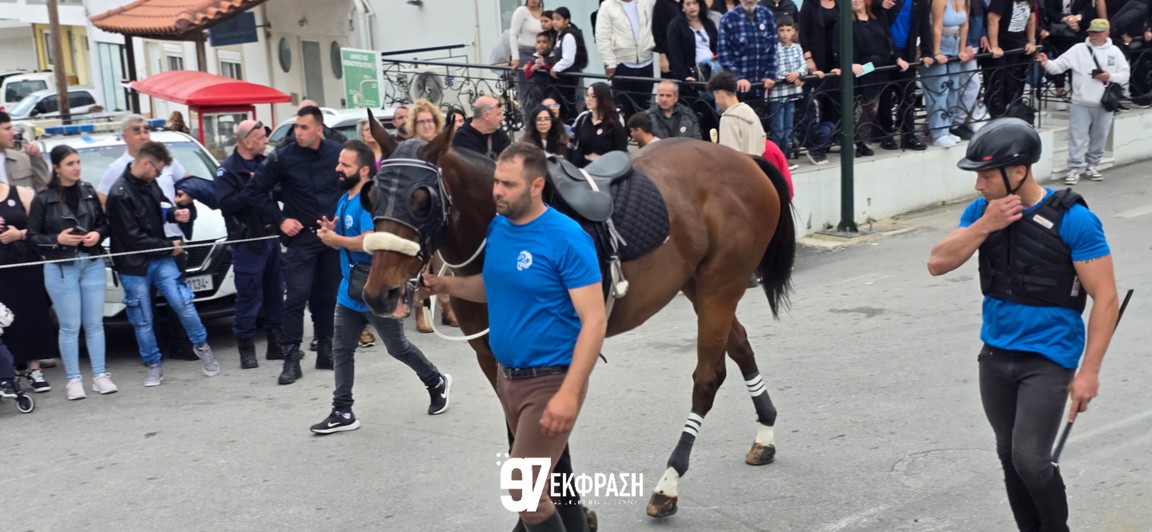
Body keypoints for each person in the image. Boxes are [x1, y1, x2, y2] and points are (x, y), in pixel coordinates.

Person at [928, 117, 1119, 532]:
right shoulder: (980, 212)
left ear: (1018, 171)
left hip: (1048, 359)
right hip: (995, 355)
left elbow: (1105, 298)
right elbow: (936, 263)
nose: (978, 185)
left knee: (1031, 461)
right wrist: (986, 224)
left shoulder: (1074, 219)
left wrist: (1089, 372)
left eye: (985, 175)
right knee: (1008, 455)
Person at [421, 142, 605, 532]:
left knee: (525, 494)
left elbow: (594, 321)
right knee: (546, 484)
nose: (497, 191)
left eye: (508, 184)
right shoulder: (499, 227)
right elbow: (494, 285)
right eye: (496, 182)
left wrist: (570, 393)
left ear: (536, 185)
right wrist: (444, 284)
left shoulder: (567, 238)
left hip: (550, 381)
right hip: (509, 379)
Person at [309, 140, 453, 435]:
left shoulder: (369, 200)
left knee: (398, 348)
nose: (337, 168)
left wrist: (338, 241)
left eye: (344, 165)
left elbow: (372, 241)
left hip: (375, 290)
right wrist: (334, 230)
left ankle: (436, 381)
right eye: (338, 162)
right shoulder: (346, 197)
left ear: (363, 170)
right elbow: (353, 236)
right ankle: (342, 410)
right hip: (350, 291)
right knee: (341, 350)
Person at [105, 141, 219, 386]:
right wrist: (170, 246)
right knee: (143, 318)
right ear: (146, 163)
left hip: (159, 256)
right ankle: (153, 364)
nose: (159, 174)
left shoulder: (149, 183)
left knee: (183, 303)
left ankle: (202, 346)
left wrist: (173, 214)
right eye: (157, 170)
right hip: (133, 264)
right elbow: (132, 237)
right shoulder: (119, 194)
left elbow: (158, 209)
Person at [243, 106, 343, 384]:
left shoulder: (337, 153)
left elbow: (356, 184)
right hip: (301, 239)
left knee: (328, 297)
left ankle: (326, 350)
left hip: (330, 236)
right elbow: (254, 191)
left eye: (304, 128)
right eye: (296, 127)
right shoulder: (283, 157)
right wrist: (280, 220)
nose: (297, 132)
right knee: (296, 297)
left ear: (319, 129)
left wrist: (345, 219)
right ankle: (291, 357)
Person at [95, 115, 196, 361]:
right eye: (136, 130)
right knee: (146, 301)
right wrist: (126, 221)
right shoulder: (118, 168)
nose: (143, 134)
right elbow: (103, 199)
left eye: (146, 130)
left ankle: (181, 344)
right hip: (141, 247)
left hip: (173, 238)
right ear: (125, 136)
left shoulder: (166, 160)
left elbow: (189, 183)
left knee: (178, 296)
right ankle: (155, 349)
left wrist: (184, 200)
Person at [26, 145, 114, 399]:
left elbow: (104, 224)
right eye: (69, 163)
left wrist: (97, 234)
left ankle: (100, 375)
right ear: (56, 167)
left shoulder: (88, 191)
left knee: (95, 323)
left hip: (91, 262)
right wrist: (58, 239)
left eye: (77, 162)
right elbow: (32, 237)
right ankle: (73, 379)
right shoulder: (43, 198)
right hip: (60, 267)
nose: (76, 167)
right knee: (70, 326)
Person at [214, 120, 285, 369]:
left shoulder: (264, 164)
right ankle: (246, 347)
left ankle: (276, 344)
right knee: (249, 297)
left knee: (276, 293)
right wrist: (253, 188)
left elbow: (276, 191)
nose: (266, 141)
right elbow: (225, 204)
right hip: (247, 241)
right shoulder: (228, 170)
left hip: (271, 238)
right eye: (262, 137)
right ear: (246, 140)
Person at [1038, 19, 1130, 185]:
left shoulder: (1115, 52)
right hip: (1081, 101)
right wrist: (1046, 63)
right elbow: (1058, 66)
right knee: (1077, 136)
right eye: (1091, 32)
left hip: (1104, 103)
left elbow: (1125, 75)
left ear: (1107, 33)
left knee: (1100, 136)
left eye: (1097, 32)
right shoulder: (1078, 49)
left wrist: (1109, 76)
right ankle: (1074, 167)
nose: (1093, 35)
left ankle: (1092, 165)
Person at [0, 162, 56, 393]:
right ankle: (8, 373)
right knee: (4, 321)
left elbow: (39, 228)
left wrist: (17, 234)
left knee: (31, 314)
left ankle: (34, 370)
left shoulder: (19, 193)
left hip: (25, 264)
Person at [835, 0, 907, 156]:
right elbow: (838, 47)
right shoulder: (845, 21)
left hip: (878, 67)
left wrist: (897, 58)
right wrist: (849, 64)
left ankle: (862, 140)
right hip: (859, 69)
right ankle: (851, 142)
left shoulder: (878, 16)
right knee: (858, 106)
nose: (855, 1)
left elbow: (889, 40)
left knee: (871, 108)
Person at [875, 0, 933, 151]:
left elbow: (924, 26)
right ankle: (886, 133)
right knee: (885, 95)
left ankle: (908, 134)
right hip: (884, 53)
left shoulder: (920, 3)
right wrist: (880, 3)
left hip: (907, 53)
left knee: (907, 95)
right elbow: (872, 9)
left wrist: (927, 52)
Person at [596, 0, 658, 114]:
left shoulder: (647, 2)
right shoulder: (608, 6)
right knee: (623, 108)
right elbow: (602, 37)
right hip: (622, 64)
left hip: (646, 62)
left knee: (644, 108)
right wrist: (610, 63)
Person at [923, 0, 970, 148]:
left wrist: (962, 49)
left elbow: (965, 24)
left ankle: (946, 128)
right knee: (938, 90)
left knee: (952, 89)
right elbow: (936, 26)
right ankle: (937, 133)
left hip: (954, 46)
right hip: (940, 44)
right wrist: (936, 52)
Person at [799, 0, 840, 164]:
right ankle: (813, 144)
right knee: (814, 103)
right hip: (816, 62)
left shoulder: (840, 5)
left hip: (835, 62)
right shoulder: (810, 4)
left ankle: (827, 141)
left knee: (833, 102)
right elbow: (803, 33)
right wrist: (808, 58)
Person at [717, 0, 779, 100]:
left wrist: (770, 75)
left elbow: (773, 49)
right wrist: (738, 77)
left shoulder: (767, 15)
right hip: (737, 90)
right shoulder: (728, 18)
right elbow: (724, 55)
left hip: (763, 87)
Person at [985, 0, 1038, 119]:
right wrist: (994, 45)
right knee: (999, 83)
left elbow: (1031, 18)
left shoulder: (1030, 2)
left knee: (1016, 83)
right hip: (1003, 46)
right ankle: (997, 116)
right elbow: (993, 18)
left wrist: (1031, 41)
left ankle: (1015, 112)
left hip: (1019, 47)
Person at [769, 16, 807, 156]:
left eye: (788, 30)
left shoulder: (797, 48)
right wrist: (790, 77)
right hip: (777, 95)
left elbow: (803, 65)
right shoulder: (773, 48)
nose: (785, 33)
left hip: (791, 95)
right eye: (782, 30)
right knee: (777, 128)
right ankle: (776, 157)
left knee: (788, 127)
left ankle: (785, 154)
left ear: (793, 31)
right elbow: (772, 69)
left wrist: (797, 73)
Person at [707, 70, 768, 155]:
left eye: (715, 96)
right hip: (755, 164)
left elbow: (729, 154)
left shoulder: (728, 119)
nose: (716, 101)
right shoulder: (751, 112)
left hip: (739, 167)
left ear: (719, 93)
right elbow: (762, 142)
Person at [571, 82, 629, 166]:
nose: (588, 99)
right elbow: (574, 145)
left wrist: (600, 159)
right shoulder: (583, 119)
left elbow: (621, 154)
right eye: (587, 95)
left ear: (603, 98)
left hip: (605, 170)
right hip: (582, 169)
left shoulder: (615, 124)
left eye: (593, 96)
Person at [667, 0, 720, 88]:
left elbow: (717, 47)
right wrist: (685, 76)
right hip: (694, 72)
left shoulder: (708, 23)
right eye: (688, 4)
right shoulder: (675, 26)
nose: (692, 7)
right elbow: (675, 55)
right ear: (682, 7)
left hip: (714, 70)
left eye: (694, 3)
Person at [511, 0, 547, 119]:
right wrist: (515, 57)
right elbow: (513, 34)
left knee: (541, 93)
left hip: (541, 55)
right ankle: (529, 129)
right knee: (527, 95)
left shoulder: (544, 12)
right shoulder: (522, 11)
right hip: (525, 54)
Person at [550, 8, 591, 113]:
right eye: (553, 19)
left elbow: (568, 59)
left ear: (566, 20)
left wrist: (555, 68)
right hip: (562, 78)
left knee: (567, 106)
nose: (554, 22)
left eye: (558, 19)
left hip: (567, 78)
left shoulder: (568, 36)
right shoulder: (561, 35)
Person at [452, 95, 512, 160]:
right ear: (486, 116)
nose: (502, 118)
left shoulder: (500, 135)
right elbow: (472, 167)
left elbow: (510, 160)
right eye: (498, 114)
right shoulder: (462, 138)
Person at [0, 113, 48, 192]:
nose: (13, 133)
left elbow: (44, 189)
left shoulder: (22, 159)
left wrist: (36, 159)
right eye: (7, 129)